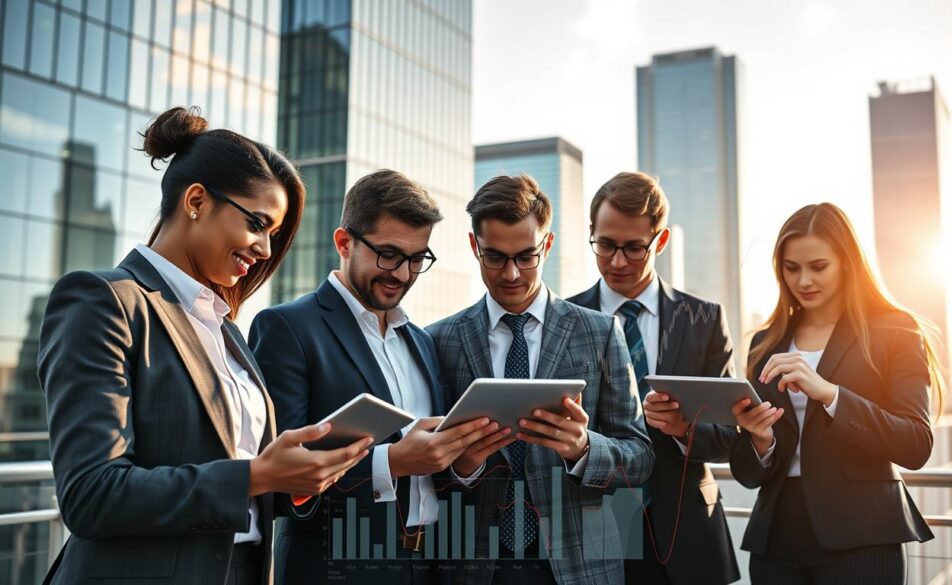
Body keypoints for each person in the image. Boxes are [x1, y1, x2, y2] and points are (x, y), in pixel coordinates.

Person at [37, 107, 370, 585]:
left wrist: (300, 475)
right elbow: (91, 495)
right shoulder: (104, 301)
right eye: (258, 224)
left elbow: (243, 480)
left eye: (274, 235)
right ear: (196, 200)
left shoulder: (226, 329)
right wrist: (257, 475)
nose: (265, 250)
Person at [249, 169, 506, 584]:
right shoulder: (287, 328)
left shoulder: (422, 342)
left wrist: (464, 461)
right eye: (389, 254)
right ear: (343, 242)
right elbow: (277, 480)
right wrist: (392, 462)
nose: (403, 274)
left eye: (417, 258)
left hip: (430, 567)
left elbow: (434, 476)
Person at [426, 174, 654, 585]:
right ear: (473, 247)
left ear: (547, 245)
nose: (511, 273)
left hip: (579, 566)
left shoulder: (600, 333)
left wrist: (585, 449)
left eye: (526, 256)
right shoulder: (440, 340)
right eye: (494, 257)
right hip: (475, 565)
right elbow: (426, 470)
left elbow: (640, 456)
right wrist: (462, 465)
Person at [730, 202, 940, 584]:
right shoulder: (765, 342)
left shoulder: (894, 330)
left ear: (847, 262)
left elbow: (916, 444)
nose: (803, 280)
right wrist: (759, 440)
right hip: (775, 540)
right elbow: (747, 474)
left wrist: (831, 395)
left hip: (862, 536)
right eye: (791, 268)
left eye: (818, 266)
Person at [567, 171, 740, 584]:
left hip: (690, 535)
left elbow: (734, 433)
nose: (618, 261)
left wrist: (685, 429)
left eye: (634, 248)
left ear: (660, 241)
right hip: (597, 529)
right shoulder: (565, 321)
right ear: (591, 233)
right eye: (606, 245)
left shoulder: (704, 319)